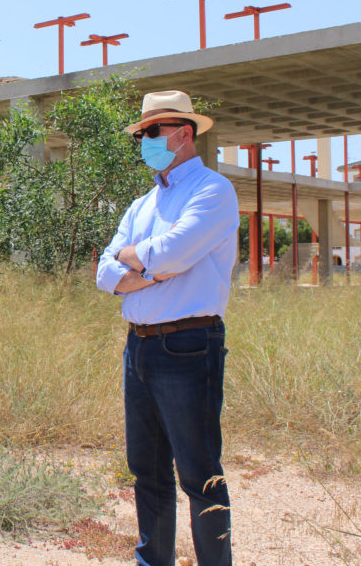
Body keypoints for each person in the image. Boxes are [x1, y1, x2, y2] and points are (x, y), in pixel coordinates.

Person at [95, 90, 238, 566]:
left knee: (199, 474)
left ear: (183, 133)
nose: (143, 141)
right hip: (139, 348)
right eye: (141, 134)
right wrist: (150, 267)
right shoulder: (142, 204)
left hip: (188, 344)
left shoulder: (213, 191)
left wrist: (139, 261)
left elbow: (173, 252)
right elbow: (104, 272)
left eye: (150, 132)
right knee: (147, 472)